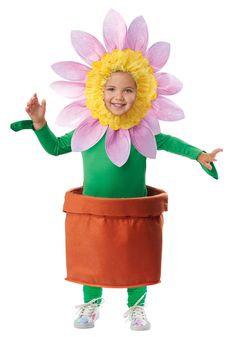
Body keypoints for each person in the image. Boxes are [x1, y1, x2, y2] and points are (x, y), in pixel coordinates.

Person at [11, 10, 223, 331]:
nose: (118, 96)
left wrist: (199, 155)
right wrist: (39, 123)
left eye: (127, 90)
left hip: (134, 211)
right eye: (111, 89)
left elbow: (170, 142)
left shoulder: (142, 132)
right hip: (93, 211)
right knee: (92, 257)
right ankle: (91, 304)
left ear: (141, 94)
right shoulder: (88, 131)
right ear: (99, 91)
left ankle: (136, 307)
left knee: (136, 258)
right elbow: (55, 148)